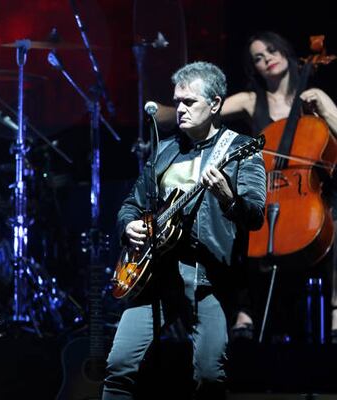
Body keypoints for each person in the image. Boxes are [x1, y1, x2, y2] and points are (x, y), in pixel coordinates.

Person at [103, 61, 266, 399]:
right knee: (119, 366)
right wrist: (128, 226)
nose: (179, 109)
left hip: (206, 279)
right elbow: (131, 205)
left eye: (189, 102)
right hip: (154, 277)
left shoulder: (239, 151)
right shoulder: (165, 151)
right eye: (177, 101)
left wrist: (226, 195)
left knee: (209, 375)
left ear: (216, 104)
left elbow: (254, 216)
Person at [220, 31, 337, 341]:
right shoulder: (250, 101)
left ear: (285, 52)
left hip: (307, 192)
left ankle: (335, 309)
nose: (266, 59)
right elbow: (210, 112)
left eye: (271, 51)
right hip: (267, 189)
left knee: (333, 221)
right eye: (258, 57)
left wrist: (324, 110)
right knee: (236, 222)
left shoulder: (314, 99)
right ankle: (246, 311)